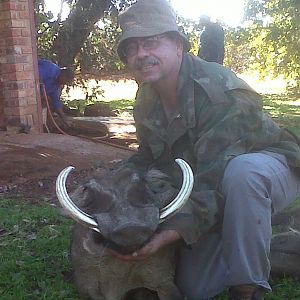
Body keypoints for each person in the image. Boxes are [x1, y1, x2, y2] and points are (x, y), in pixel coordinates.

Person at [114, 0, 300, 299]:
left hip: (267, 168)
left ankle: (248, 288)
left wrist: (168, 234)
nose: (140, 54)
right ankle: (266, 243)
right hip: (210, 183)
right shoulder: (146, 98)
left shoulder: (218, 92)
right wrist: (115, 182)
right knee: (195, 288)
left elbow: (215, 179)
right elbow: (149, 158)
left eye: (150, 42)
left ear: (178, 45)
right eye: (131, 48)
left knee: (242, 174)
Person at [38, 59, 74, 128]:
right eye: (66, 81)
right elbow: (35, 76)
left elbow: (56, 103)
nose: (65, 84)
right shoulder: (51, 69)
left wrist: (65, 120)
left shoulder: (56, 87)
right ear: (63, 74)